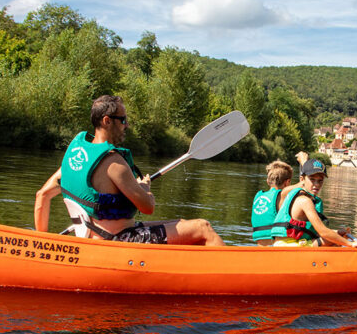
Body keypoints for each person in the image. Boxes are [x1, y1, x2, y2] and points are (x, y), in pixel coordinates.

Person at [34, 95, 225, 245]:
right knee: (203, 228)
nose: (127, 125)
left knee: (181, 224)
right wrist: (145, 187)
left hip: (94, 240)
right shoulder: (113, 162)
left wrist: (43, 244)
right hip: (118, 240)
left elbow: (42, 196)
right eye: (123, 120)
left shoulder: (75, 159)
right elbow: (147, 207)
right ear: (107, 121)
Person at [268, 159, 357, 248]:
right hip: (289, 247)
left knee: (336, 239)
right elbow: (323, 232)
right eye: (312, 179)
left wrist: (338, 232)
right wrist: (351, 243)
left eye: (320, 180)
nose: (316, 184)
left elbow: (317, 231)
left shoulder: (299, 196)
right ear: (302, 179)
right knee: (333, 241)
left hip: (283, 245)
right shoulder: (305, 201)